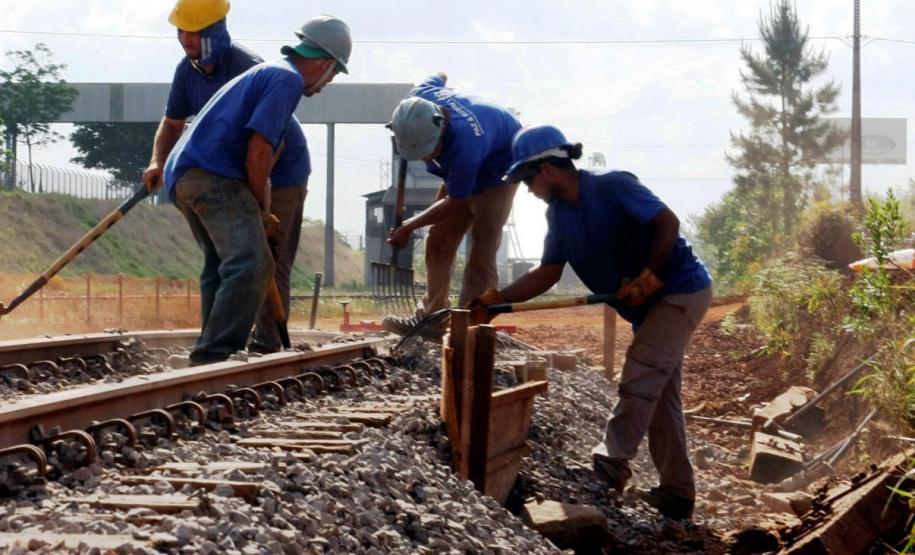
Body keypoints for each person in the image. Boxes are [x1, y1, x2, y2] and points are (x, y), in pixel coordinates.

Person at [472, 124, 712, 520]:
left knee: (640, 378)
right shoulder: (560, 215)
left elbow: (667, 222)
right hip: (648, 310)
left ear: (546, 169)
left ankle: (608, 469)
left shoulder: (612, 185)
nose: (529, 190)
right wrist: (499, 299)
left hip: (678, 291)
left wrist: (649, 274)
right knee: (660, 397)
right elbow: (548, 272)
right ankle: (677, 494)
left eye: (529, 180)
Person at [161, 15, 351, 365]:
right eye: (335, 73)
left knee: (221, 263)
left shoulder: (271, 72)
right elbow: (259, 150)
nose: (328, 83)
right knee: (252, 262)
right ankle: (215, 355)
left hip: (185, 175)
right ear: (325, 64)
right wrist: (260, 209)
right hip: (213, 175)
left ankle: (210, 343)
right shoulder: (287, 80)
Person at [143, 0, 314, 354]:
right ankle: (213, 342)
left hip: (278, 171)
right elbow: (173, 123)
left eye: (195, 33)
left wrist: (260, 198)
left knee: (268, 255)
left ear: (217, 32)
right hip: (230, 173)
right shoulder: (187, 71)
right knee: (224, 259)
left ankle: (268, 344)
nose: (186, 40)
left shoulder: (247, 66)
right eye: (181, 32)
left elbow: (265, 146)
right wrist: (157, 161)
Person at [383, 73, 522, 336]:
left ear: (440, 129)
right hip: (460, 170)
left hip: (499, 173)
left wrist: (408, 226)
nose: (425, 158)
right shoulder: (419, 99)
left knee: (482, 250)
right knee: (438, 241)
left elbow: (455, 202)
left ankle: (469, 328)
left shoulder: (466, 145)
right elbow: (439, 75)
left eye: (428, 151)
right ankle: (432, 321)